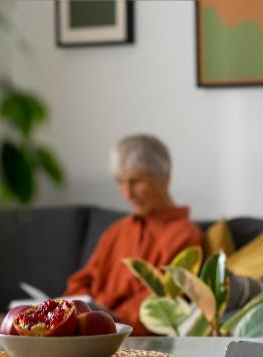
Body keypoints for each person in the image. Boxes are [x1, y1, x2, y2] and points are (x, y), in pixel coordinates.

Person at [65, 134, 202, 336]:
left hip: (122, 334)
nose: (127, 193)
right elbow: (82, 281)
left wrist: (109, 321)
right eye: (120, 182)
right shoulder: (116, 231)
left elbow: (163, 298)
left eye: (136, 182)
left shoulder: (185, 235)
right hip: (87, 327)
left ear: (164, 180)